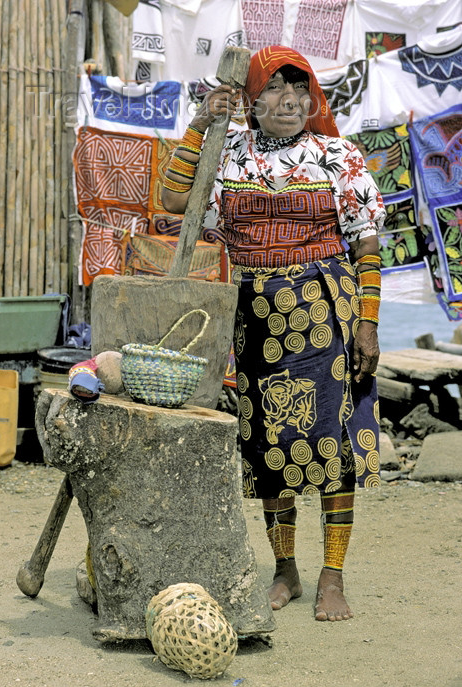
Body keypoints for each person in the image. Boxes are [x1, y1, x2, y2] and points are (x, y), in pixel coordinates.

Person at [162, 45, 385, 622]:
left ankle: (332, 575)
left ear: (312, 100)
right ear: (252, 99)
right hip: (256, 320)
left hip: (325, 318)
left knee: (334, 451)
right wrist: (200, 122)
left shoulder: (338, 157)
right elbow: (171, 199)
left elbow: (366, 247)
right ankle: (284, 569)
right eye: (275, 90)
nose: (289, 102)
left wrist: (368, 325)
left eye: (299, 91)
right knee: (269, 451)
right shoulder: (228, 151)